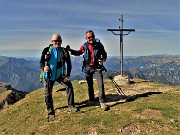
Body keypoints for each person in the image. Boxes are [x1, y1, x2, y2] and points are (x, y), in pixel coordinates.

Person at [67, 30, 109, 111]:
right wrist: (70, 50)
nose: (91, 38)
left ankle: (102, 102)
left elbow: (104, 54)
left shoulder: (99, 45)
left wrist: (102, 59)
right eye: (89, 37)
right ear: (86, 38)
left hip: (97, 67)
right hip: (87, 67)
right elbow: (79, 52)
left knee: (100, 84)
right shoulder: (85, 45)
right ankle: (91, 99)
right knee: (90, 85)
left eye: (92, 36)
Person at [40, 34, 78, 116]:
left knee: (69, 86)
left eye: (59, 41)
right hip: (49, 75)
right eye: (55, 41)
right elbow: (41, 63)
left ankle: (71, 105)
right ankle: (50, 109)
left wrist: (68, 75)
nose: (57, 42)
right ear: (52, 42)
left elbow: (69, 64)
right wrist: (44, 68)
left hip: (59, 75)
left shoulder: (64, 51)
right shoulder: (47, 50)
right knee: (48, 92)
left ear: (61, 41)